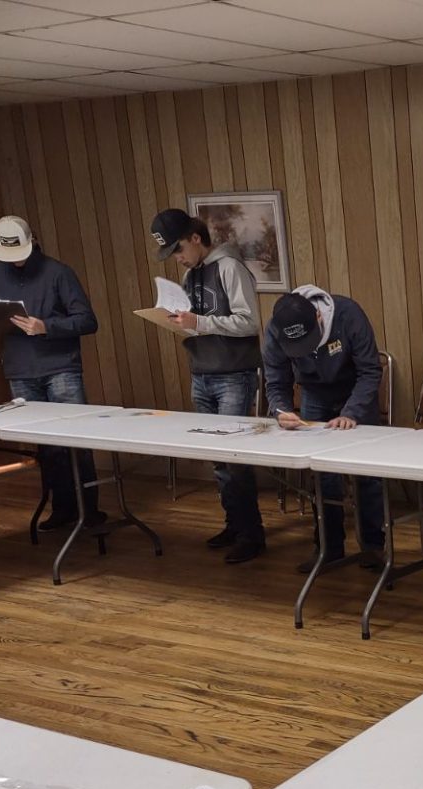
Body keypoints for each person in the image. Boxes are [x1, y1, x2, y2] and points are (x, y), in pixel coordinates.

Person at [150, 207, 264, 564]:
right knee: (218, 459)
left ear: (195, 238)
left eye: (179, 250)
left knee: (235, 457)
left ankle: (251, 534)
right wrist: (180, 323)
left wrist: (200, 322)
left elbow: (249, 322)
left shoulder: (229, 267)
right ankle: (234, 524)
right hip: (202, 371)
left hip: (233, 373)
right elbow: (198, 323)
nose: (179, 259)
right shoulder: (191, 276)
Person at [0, 216, 103, 530]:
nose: (16, 262)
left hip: (60, 366)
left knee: (75, 439)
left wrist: (47, 326)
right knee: (44, 445)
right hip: (20, 370)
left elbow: (87, 320)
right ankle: (61, 509)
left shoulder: (58, 272)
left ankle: (89, 511)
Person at [262, 286, 386, 571]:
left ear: (318, 317)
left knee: (366, 472)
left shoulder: (348, 314)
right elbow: (275, 379)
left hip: (354, 391)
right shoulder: (277, 328)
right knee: (321, 474)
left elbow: (370, 371)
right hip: (314, 394)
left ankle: (373, 546)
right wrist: (281, 410)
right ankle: (329, 548)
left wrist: (352, 412)